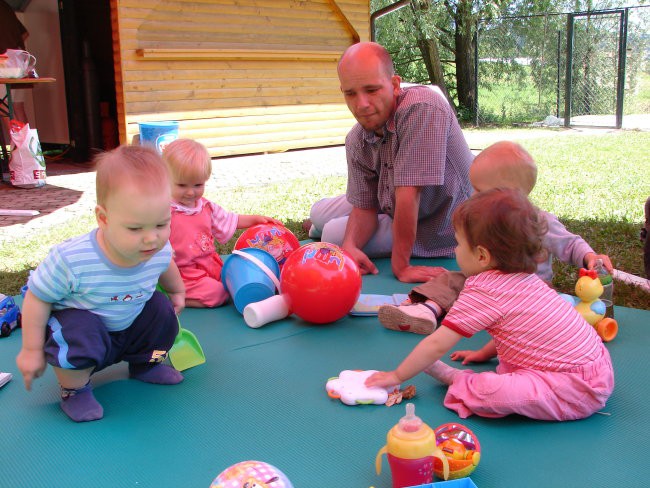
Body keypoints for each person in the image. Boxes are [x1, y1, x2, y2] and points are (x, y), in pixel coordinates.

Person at [366, 188, 615, 421]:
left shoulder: (484, 290)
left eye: (459, 243)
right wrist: (483, 353)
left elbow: (436, 343)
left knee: (494, 392)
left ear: (482, 256)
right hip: (598, 369)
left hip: (576, 389)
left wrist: (396, 375)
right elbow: (516, 331)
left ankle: (458, 380)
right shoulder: (527, 279)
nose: (455, 250)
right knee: (513, 376)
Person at [16, 145, 186, 422]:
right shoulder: (72, 260)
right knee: (78, 329)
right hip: (85, 330)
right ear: (104, 219)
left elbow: (166, 263)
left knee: (161, 312)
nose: (151, 238)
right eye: (135, 228)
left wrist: (177, 290)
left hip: (129, 323)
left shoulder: (157, 248)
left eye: (161, 224)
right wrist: (31, 349)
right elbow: (37, 297)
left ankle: (146, 364)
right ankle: (75, 389)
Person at [378, 140, 614, 338]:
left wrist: (589, 256)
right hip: (485, 287)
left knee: (548, 305)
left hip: (529, 293)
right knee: (451, 280)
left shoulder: (537, 221)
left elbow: (570, 243)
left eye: (479, 191)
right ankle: (427, 310)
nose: (472, 196)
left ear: (509, 194)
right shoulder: (482, 221)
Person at [306, 42, 474, 283]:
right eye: (350, 93)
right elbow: (364, 207)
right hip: (390, 205)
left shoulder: (422, 109)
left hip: (436, 222)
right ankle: (316, 225)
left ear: (395, 85)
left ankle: (320, 229)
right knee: (319, 213)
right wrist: (352, 246)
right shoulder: (356, 139)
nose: (361, 104)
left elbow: (409, 196)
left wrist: (402, 267)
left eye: (371, 90)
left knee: (332, 235)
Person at [162, 138, 282, 308]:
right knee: (219, 293)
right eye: (182, 185)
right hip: (182, 273)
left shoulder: (206, 207)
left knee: (234, 280)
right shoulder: (163, 212)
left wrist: (255, 219)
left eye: (198, 185)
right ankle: (174, 296)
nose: (190, 192)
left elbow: (230, 219)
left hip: (209, 265)